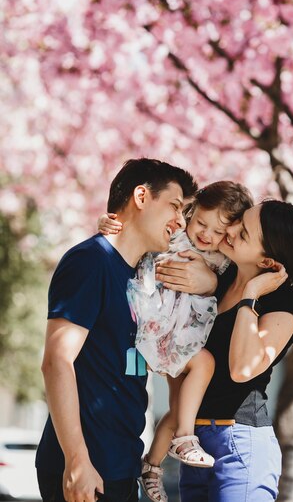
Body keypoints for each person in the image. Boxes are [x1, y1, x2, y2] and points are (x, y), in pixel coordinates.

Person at [35, 158, 198, 502]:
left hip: (121, 467)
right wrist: (77, 460)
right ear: (141, 196)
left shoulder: (144, 278)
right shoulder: (91, 260)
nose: (180, 221)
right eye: (173, 205)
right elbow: (56, 361)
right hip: (86, 469)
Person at [155, 199, 293, 502]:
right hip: (193, 444)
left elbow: (242, 368)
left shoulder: (282, 304)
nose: (230, 231)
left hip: (239, 443)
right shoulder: (219, 275)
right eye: (239, 221)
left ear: (267, 263)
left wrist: (251, 296)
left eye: (244, 233)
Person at [98, 181, 254, 502]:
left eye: (218, 231)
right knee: (205, 364)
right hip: (161, 326)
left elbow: (244, 268)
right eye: (201, 223)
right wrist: (109, 225)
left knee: (181, 406)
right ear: (190, 212)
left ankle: (152, 466)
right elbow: (134, 232)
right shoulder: (173, 234)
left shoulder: (222, 258)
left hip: (185, 333)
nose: (206, 235)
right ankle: (184, 437)